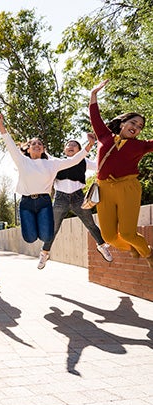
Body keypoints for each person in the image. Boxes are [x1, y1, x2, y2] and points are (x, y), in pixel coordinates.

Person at [0, 113, 95, 270]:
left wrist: (89, 146)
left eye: (39, 144)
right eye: (33, 143)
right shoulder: (22, 161)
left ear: (43, 149)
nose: (37, 145)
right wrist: (1, 126)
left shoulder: (52, 164)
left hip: (44, 202)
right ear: (28, 148)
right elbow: (9, 144)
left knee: (47, 235)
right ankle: (34, 230)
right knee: (29, 238)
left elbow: (73, 160)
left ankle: (44, 249)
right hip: (27, 202)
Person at [89, 79, 153, 268]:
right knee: (109, 236)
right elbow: (95, 116)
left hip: (128, 188)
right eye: (133, 122)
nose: (136, 127)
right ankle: (134, 247)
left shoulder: (141, 146)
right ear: (123, 123)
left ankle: (148, 253)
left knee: (127, 233)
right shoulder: (105, 135)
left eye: (140, 126)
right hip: (104, 189)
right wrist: (93, 94)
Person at [40, 138, 113, 267]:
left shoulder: (83, 161)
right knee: (53, 228)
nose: (71, 146)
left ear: (80, 150)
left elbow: (99, 165)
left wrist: (103, 148)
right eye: (68, 145)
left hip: (78, 197)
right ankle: (45, 253)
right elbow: (44, 155)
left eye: (75, 145)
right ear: (64, 149)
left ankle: (102, 246)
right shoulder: (57, 162)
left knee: (90, 224)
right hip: (60, 199)